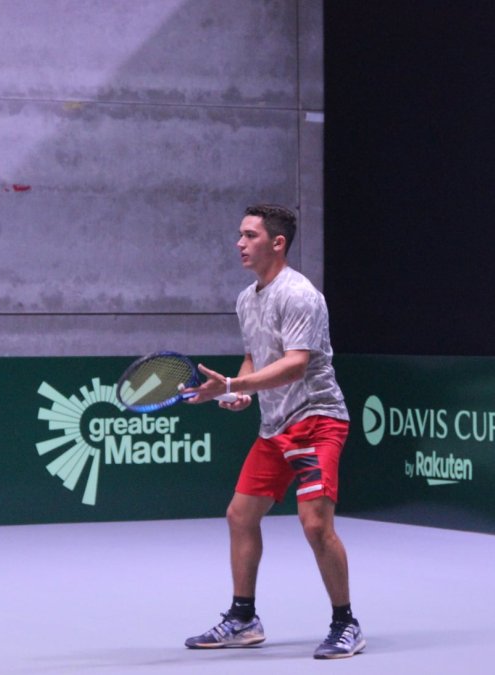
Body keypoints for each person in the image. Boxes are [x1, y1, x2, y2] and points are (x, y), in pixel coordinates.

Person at [181, 203, 365, 660]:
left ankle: (346, 624)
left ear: (277, 243)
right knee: (240, 516)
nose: (239, 244)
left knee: (315, 525)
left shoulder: (300, 295)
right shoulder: (248, 299)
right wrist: (237, 391)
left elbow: (296, 363)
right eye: (240, 235)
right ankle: (243, 618)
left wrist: (236, 383)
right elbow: (256, 357)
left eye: (250, 235)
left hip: (317, 420)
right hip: (274, 426)